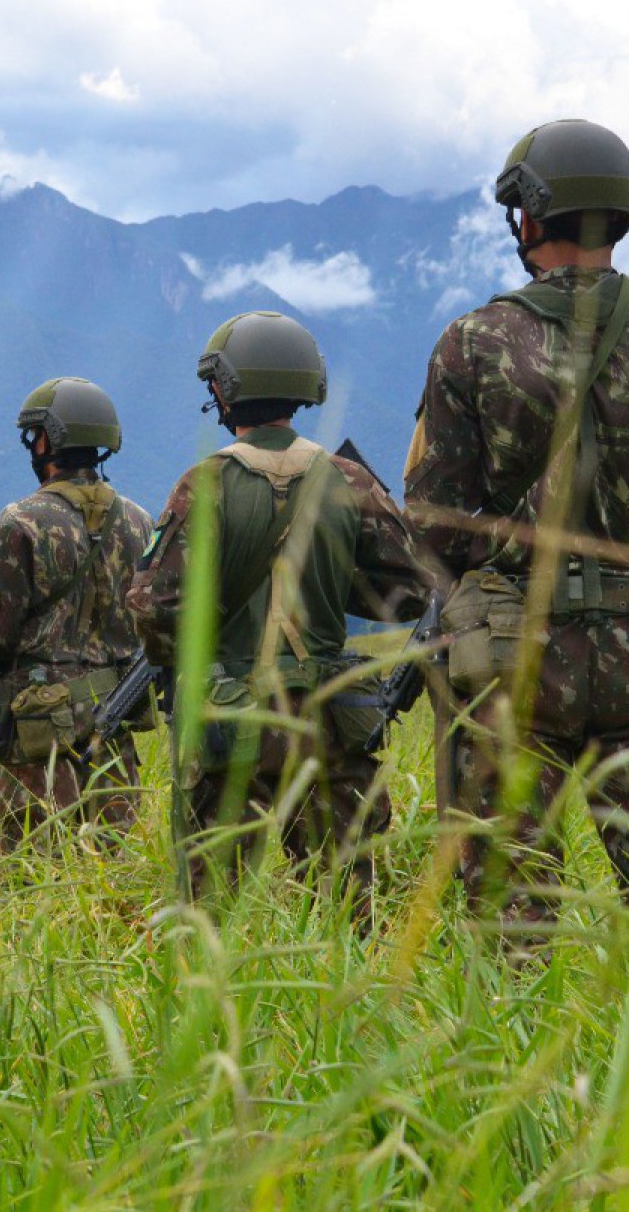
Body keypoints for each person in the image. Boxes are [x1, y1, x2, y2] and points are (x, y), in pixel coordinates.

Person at [403, 119, 629, 925]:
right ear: (625, 214)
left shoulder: (473, 344)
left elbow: (433, 527)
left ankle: (513, 1047)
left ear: (527, 216)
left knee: (508, 903)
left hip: (513, 657)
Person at [128, 312, 425, 913]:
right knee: (348, 906)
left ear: (226, 388)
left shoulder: (203, 483)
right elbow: (412, 591)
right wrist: (332, 582)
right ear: (304, 386)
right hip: (331, 720)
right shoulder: (351, 480)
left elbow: (154, 612)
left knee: (211, 906)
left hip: (226, 722)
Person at [0, 378, 154, 854]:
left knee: (32, 862)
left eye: (35, 437)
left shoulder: (21, 520)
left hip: (37, 725)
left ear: (48, 440)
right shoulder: (139, 521)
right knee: (113, 860)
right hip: (115, 710)